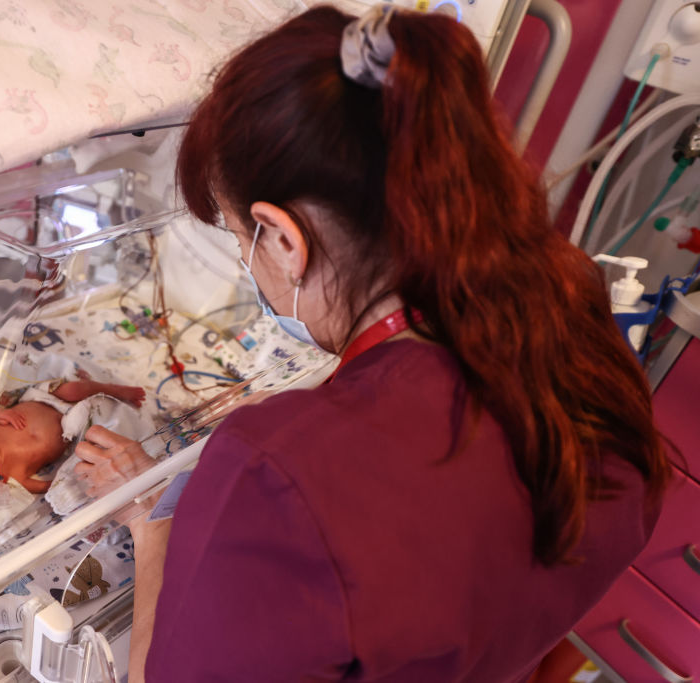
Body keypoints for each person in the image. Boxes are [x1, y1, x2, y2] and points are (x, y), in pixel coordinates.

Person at [73, 5, 671, 682]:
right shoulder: (581, 341)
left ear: (285, 238)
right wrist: (336, 408)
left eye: (242, 242)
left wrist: (151, 525)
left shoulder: (273, 474)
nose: (248, 262)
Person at [0, 375, 146, 494]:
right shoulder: (13, 478)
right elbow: (47, 487)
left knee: (72, 390)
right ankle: (101, 402)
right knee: (93, 431)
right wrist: (62, 485)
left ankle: (111, 390)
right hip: (68, 427)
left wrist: (0, 414)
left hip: (42, 399)